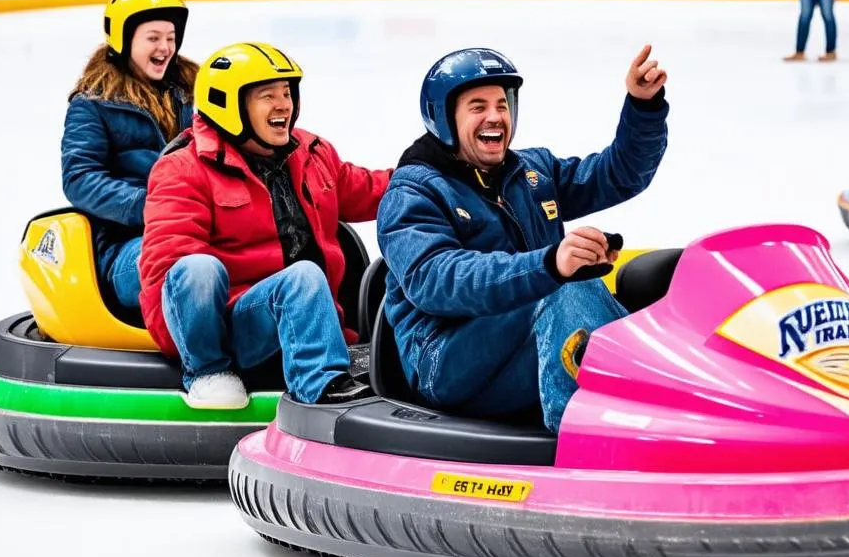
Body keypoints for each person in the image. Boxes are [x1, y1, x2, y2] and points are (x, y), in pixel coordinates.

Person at [377, 45, 669, 432]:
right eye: (477, 107)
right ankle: (588, 435)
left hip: (528, 337)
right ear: (444, 118)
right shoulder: (413, 194)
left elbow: (618, 175)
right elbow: (438, 280)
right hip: (445, 360)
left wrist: (643, 107)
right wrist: (549, 265)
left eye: (502, 104)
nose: (495, 116)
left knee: (662, 278)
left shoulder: (531, 172)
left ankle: (671, 399)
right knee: (560, 288)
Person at [138, 42, 391, 410]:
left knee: (310, 277)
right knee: (201, 269)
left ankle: (326, 361)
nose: (283, 105)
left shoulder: (311, 152)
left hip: (307, 318)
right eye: (267, 96)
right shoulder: (182, 169)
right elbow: (168, 279)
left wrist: (429, 178)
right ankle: (314, 388)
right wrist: (195, 348)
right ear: (228, 105)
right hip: (228, 329)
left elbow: (367, 189)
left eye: (287, 93)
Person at [61, 0, 196, 312]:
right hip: (128, 245)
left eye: (171, 37)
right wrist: (149, 207)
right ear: (123, 40)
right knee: (189, 262)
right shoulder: (92, 104)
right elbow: (79, 178)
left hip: (195, 224)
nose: (165, 47)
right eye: (153, 38)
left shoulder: (194, 93)